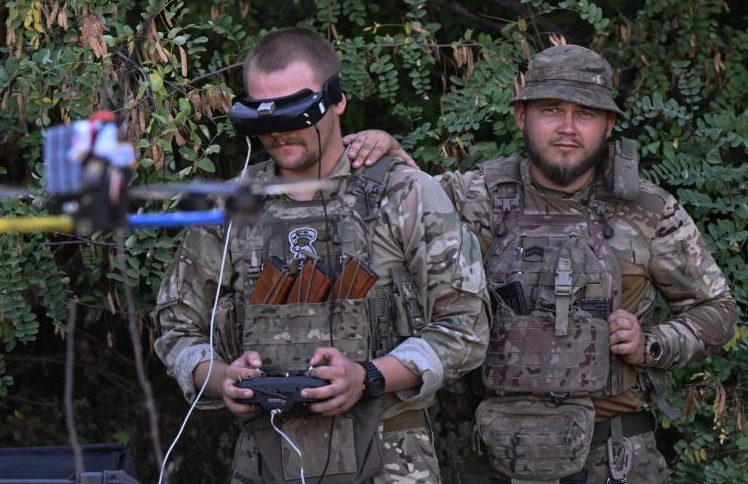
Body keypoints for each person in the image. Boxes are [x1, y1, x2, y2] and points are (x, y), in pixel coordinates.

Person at [344, 44, 738, 484]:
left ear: (608, 125)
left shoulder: (647, 210)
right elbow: (403, 207)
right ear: (521, 115)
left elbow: (719, 310)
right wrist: (390, 152)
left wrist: (652, 343)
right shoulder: (473, 196)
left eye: (585, 114)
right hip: (493, 458)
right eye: (551, 110)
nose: (567, 128)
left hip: (613, 461)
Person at [153, 27, 490, 483]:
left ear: (337, 101)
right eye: (264, 116)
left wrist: (368, 376)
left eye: (296, 111)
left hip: (389, 460)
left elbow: (466, 328)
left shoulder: (405, 194)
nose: (278, 131)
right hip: (266, 458)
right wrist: (219, 378)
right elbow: (175, 328)